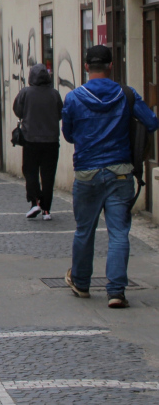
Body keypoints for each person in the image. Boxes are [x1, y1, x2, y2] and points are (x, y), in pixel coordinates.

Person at [61, 45, 158, 308]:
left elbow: (68, 135)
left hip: (87, 173)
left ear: (85, 67)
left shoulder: (73, 98)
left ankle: (81, 283)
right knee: (119, 233)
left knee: (84, 230)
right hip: (120, 174)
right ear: (111, 66)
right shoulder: (127, 94)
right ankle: (116, 291)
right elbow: (151, 122)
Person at [13, 63, 62, 220]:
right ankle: (46, 209)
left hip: (30, 140)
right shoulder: (54, 94)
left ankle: (35, 202)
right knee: (48, 175)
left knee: (30, 171)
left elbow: (17, 110)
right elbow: (60, 113)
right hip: (51, 141)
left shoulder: (26, 93)